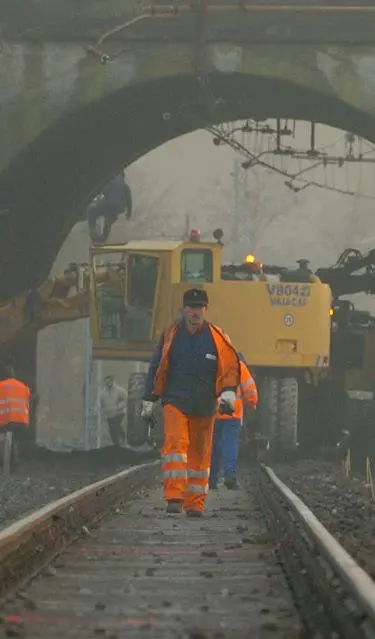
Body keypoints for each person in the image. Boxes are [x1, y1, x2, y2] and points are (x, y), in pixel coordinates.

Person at [141, 288, 240, 518]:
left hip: (204, 405)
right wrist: (149, 399)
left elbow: (229, 368)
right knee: (176, 443)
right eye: (191, 307)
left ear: (205, 309)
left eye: (200, 308)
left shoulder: (217, 337)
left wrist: (228, 393)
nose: (196, 312)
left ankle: (195, 503)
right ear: (184, 309)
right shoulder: (171, 335)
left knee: (200, 454)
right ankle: (174, 497)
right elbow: (156, 366)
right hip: (175, 400)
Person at [209, 353, 258, 490]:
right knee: (229, 444)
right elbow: (249, 389)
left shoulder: (213, 365)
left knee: (213, 446)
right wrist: (252, 403)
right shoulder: (239, 366)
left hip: (214, 410)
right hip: (231, 410)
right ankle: (230, 477)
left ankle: (211, 480)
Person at [0, 367, 31, 464]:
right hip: (22, 421)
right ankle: (15, 456)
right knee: (16, 438)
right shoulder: (24, 387)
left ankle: (6, 460)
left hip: (6, 422)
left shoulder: (1, 386)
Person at [98, 375, 127, 447]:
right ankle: (116, 445)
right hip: (109, 413)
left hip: (119, 412)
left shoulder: (119, 390)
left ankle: (123, 437)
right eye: (106, 382)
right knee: (111, 429)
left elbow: (126, 399)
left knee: (116, 425)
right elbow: (99, 402)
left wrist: (119, 406)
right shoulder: (103, 393)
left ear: (112, 381)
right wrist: (100, 409)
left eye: (109, 382)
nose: (108, 383)